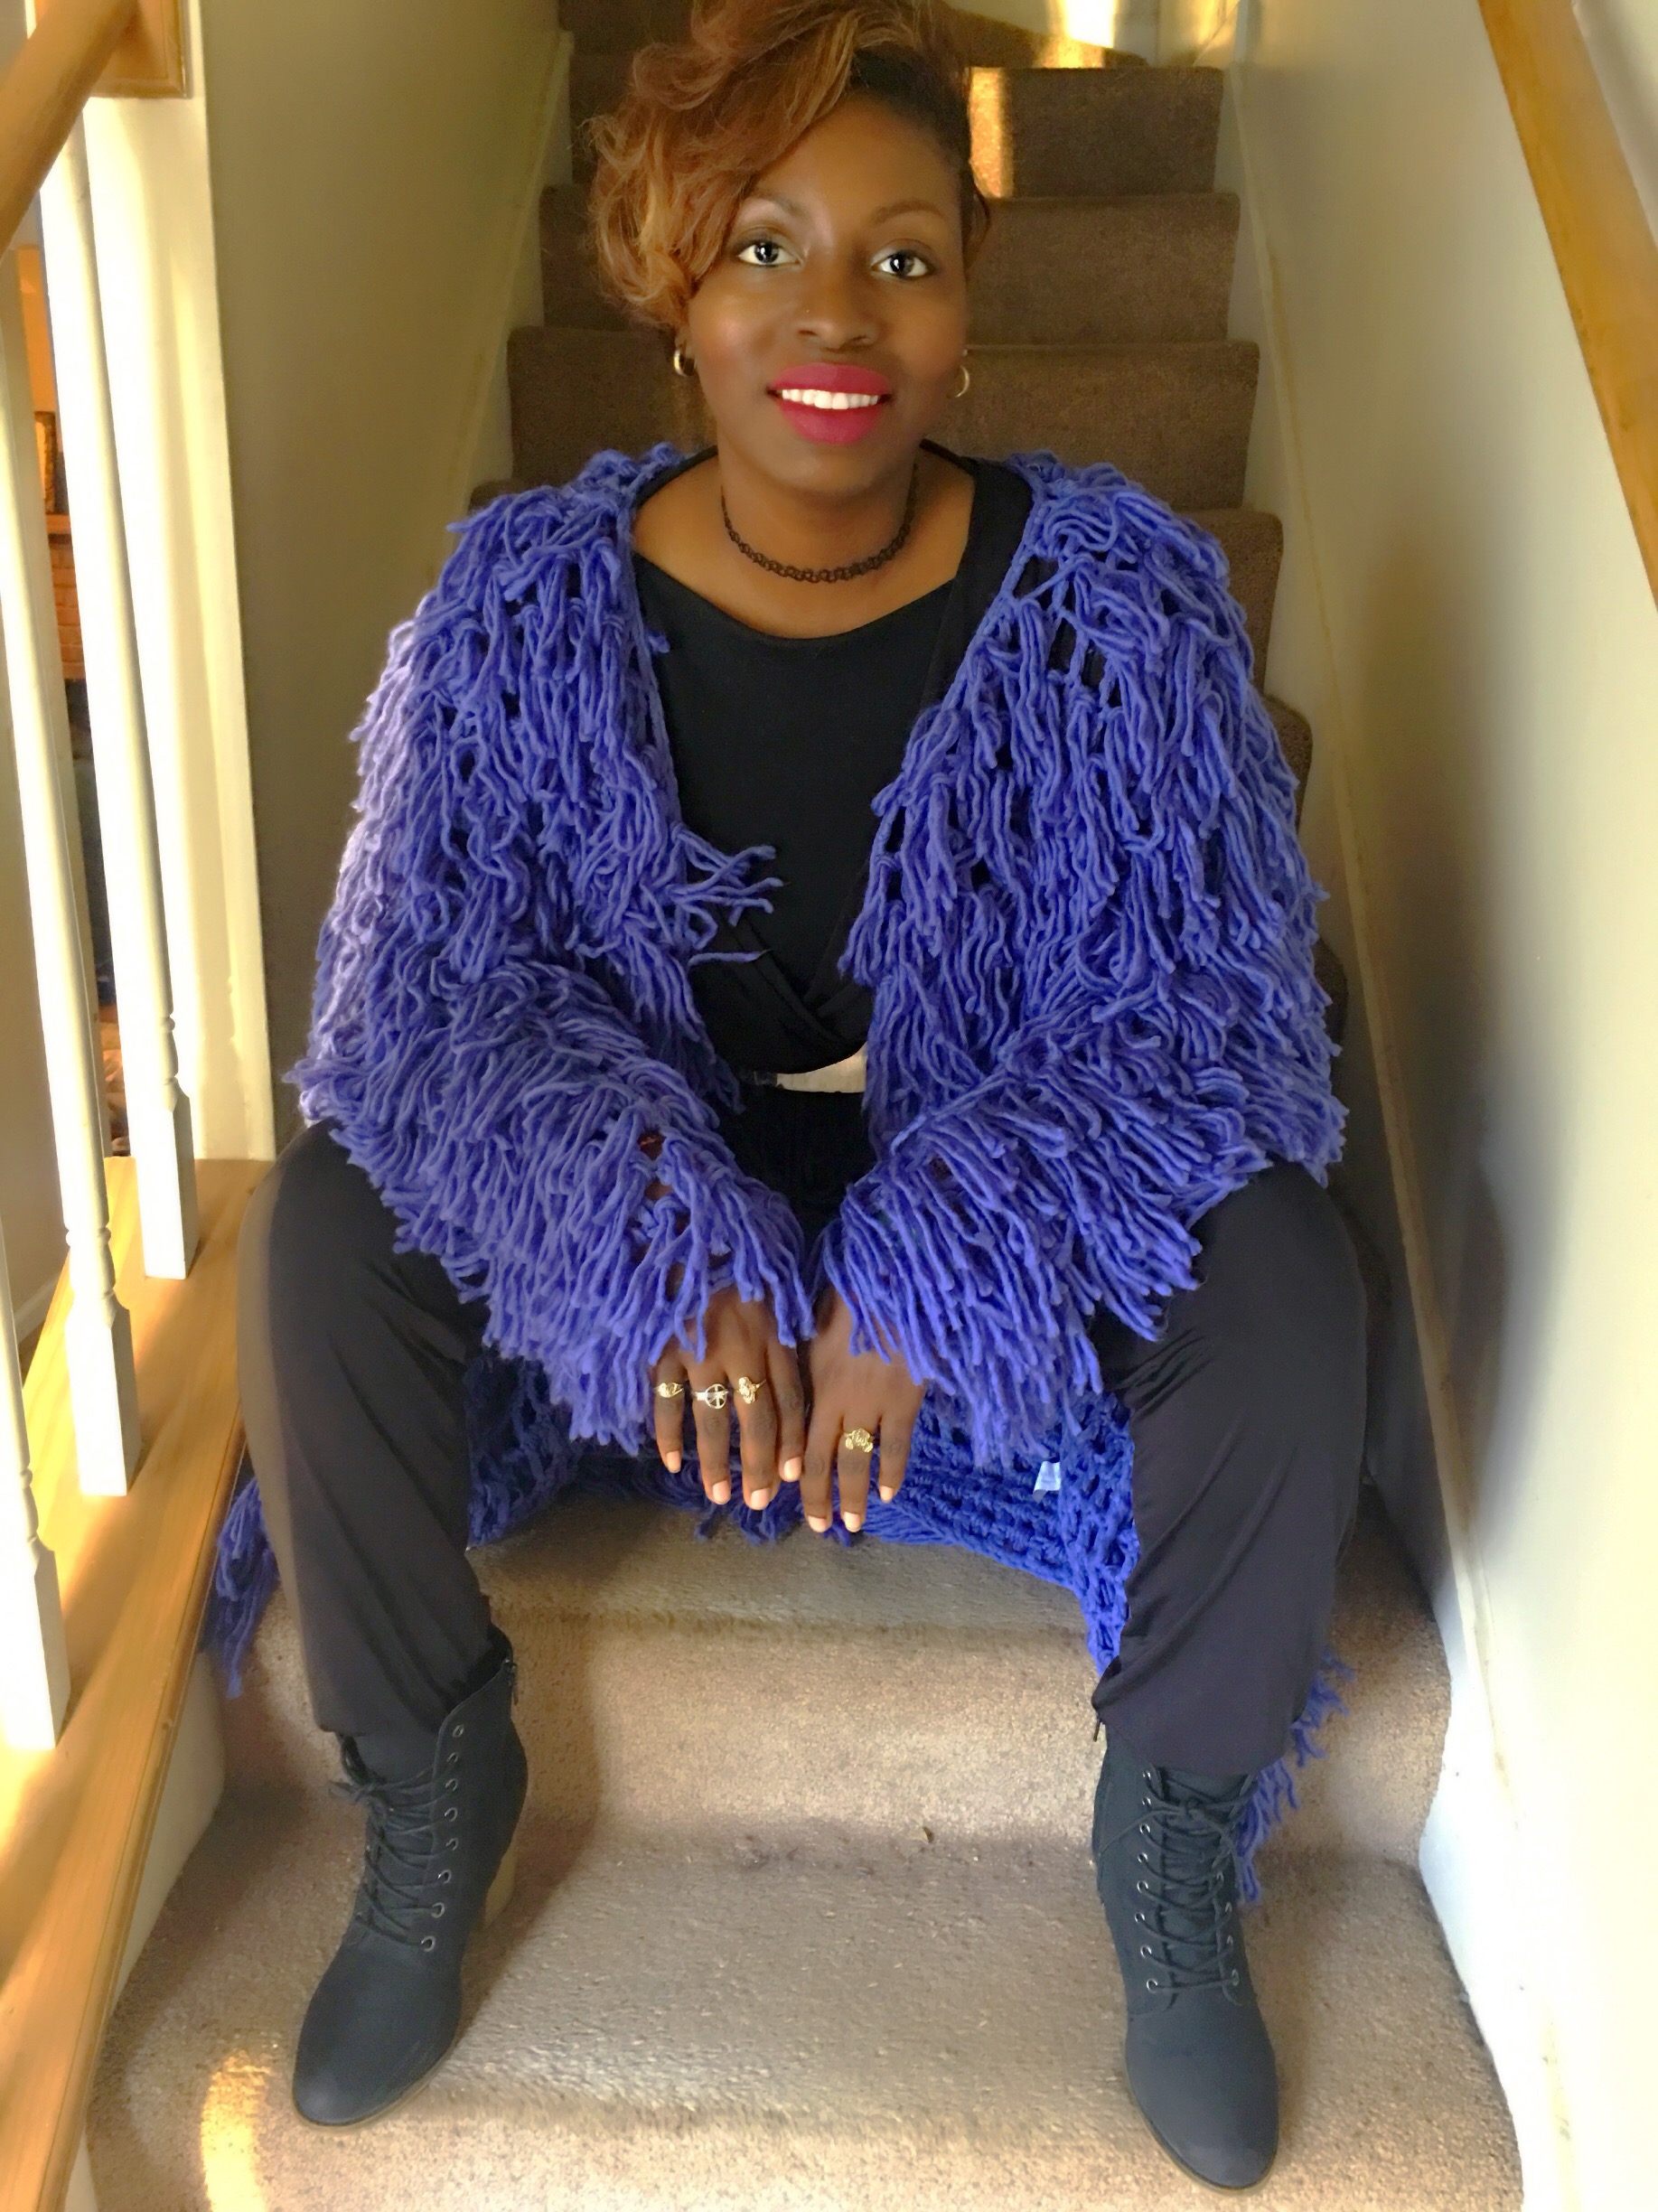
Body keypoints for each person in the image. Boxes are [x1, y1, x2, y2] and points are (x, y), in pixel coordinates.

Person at [237, 0, 1365, 2188]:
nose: (835, 310)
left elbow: (1215, 1023)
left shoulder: (1121, 605)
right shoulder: (515, 609)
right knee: (324, 1228)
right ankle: (429, 1785)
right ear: (673, 287)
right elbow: (428, 1018)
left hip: (992, 1179)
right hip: (654, 1209)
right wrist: (651, 1228)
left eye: (902, 257)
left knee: (1292, 1273)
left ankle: (1178, 1825)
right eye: (765, 246)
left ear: (965, 313)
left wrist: (935, 1268)